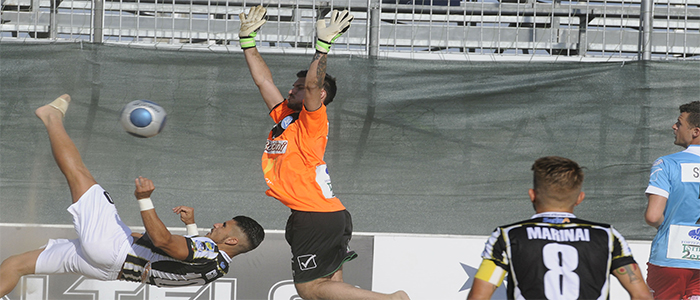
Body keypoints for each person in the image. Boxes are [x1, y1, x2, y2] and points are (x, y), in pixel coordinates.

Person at [0, 94, 265, 297]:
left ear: (231, 240)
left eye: (224, 225)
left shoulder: (208, 251)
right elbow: (183, 258)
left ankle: (51, 117)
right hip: (110, 268)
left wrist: (144, 198)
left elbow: (163, 241)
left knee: (79, 175)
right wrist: (191, 226)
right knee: (15, 265)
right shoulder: (218, 268)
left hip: (114, 249)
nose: (218, 223)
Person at [239, 6, 410, 300]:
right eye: (293, 87)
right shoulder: (285, 118)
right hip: (326, 214)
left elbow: (314, 84)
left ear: (318, 96)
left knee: (309, 289)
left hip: (315, 216)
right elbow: (263, 81)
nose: (292, 91)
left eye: (298, 88)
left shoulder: (312, 119)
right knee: (332, 283)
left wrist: (322, 48)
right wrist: (247, 42)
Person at [467, 156, 653, 300]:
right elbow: (642, 295)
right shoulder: (607, 236)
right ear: (580, 198)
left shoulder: (508, 236)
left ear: (532, 195)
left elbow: (479, 296)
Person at [645, 101, 700, 300]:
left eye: (679, 123)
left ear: (695, 131)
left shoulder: (667, 163)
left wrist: (668, 225)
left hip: (671, 257)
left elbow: (653, 216)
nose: (674, 127)